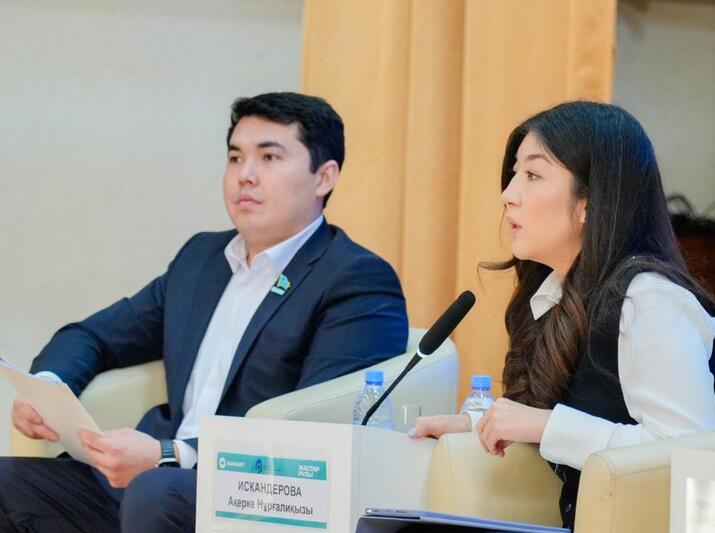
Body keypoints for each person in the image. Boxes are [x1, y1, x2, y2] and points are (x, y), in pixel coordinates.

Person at [0, 92, 409, 533]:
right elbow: (93, 336)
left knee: (155, 492)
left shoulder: (356, 279)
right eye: (235, 158)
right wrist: (48, 389)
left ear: (324, 177)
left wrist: (171, 454)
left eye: (269, 157)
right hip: (152, 482)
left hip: (258, 493)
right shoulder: (201, 259)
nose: (245, 175)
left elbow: (313, 431)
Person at [411, 101, 715, 530]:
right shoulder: (556, 296)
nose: (508, 194)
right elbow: (562, 414)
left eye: (532, 175)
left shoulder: (650, 301)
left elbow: (687, 451)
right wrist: (476, 424)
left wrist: (547, 426)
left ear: (589, 202)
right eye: (513, 174)